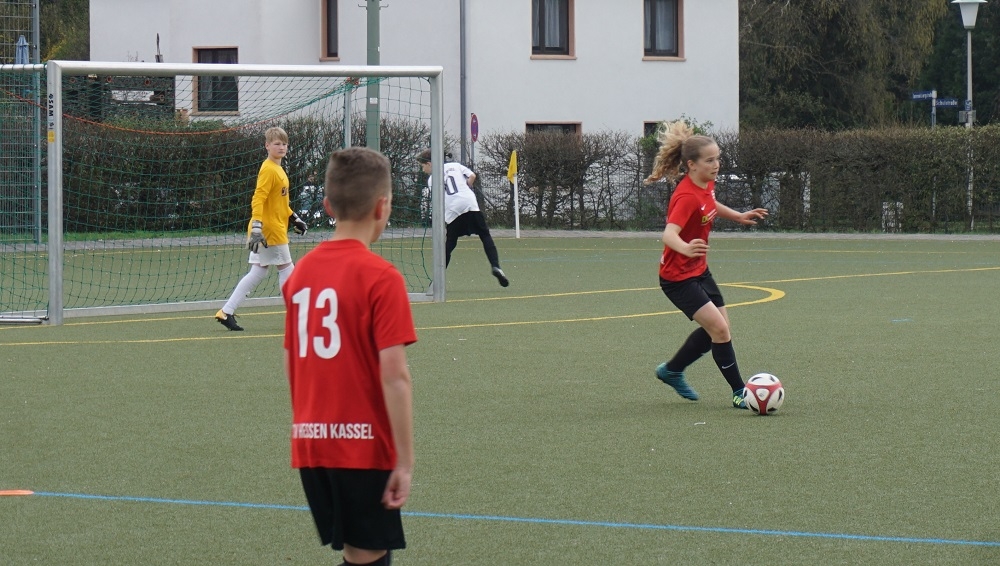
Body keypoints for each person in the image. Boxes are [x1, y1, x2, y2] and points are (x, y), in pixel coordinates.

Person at [283, 147, 416, 566]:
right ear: (382, 207)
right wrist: (404, 461)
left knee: (361, 553)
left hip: (311, 443)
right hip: (361, 444)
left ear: (327, 206)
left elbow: (292, 359)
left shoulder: (300, 274)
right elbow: (395, 376)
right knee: (369, 554)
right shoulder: (382, 278)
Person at [644, 121, 768, 408]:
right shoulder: (686, 196)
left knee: (720, 328)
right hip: (677, 278)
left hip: (699, 271)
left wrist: (737, 215)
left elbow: (710, 204)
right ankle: (740, 392)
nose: (717, 165)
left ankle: (672, 370)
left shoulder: (705, 183)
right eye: (710, 160)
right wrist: (686, 247)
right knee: (720, 330)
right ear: (692, 165)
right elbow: (669, 234)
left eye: (718, 158)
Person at [215, 126, 309, 331]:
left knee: (258, 271)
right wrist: (257, 227)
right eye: (277, 144)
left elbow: (278, 203)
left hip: (272, 228)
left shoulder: (278, 168)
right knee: (287, 269)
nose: (281, 147)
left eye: (284, 144)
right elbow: (258, 198)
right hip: (270, 231)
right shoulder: (268, 169)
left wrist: (294, 218)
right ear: (267, 146)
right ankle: (297, 317)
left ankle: (226, 312)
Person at [417, 148, 509, 287]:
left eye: (423, 166)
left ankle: (436, 281)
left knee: (450, 244)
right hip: (469, 204)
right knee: (484, 235)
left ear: (429, 163)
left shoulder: (432, 180)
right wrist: (467, 186)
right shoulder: (456, 166)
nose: (423, 170)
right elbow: (472, 176)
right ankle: (496, 266)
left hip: (453, 211)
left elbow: (438, 198)